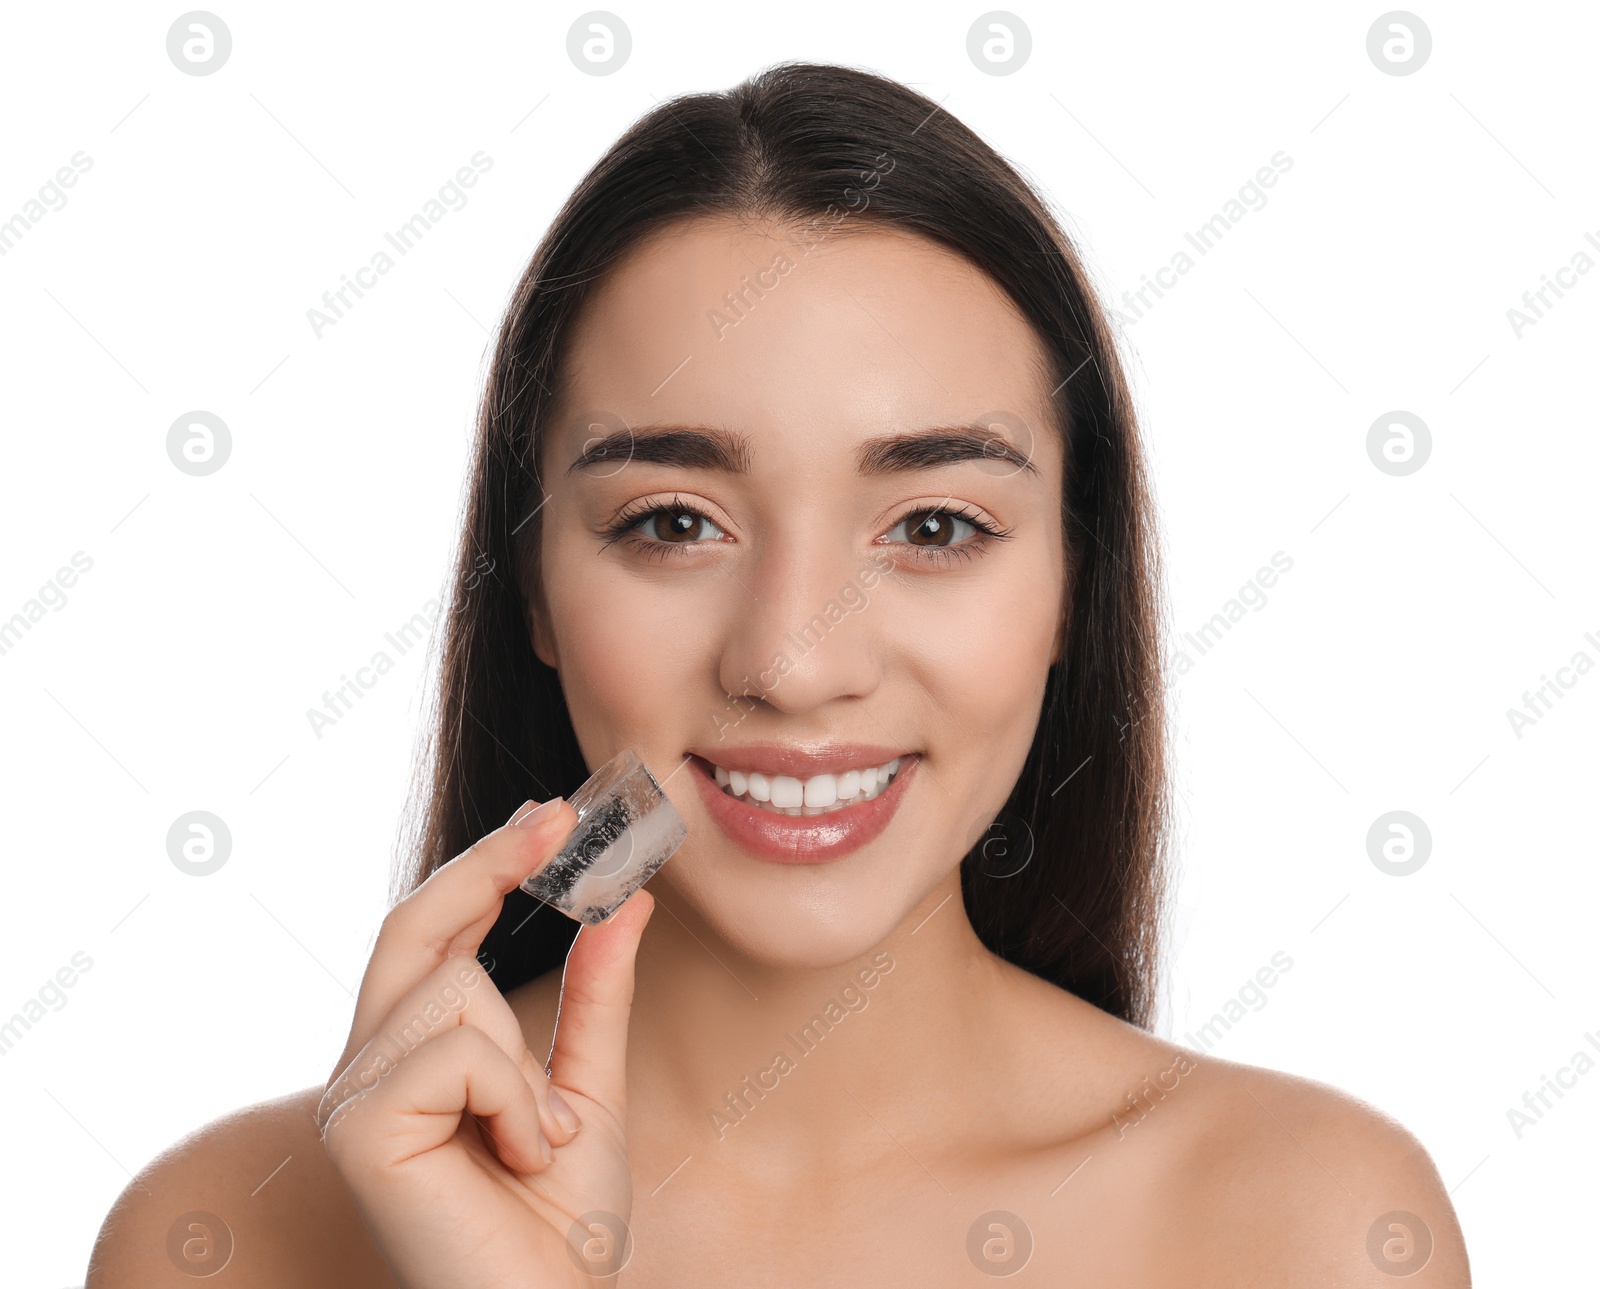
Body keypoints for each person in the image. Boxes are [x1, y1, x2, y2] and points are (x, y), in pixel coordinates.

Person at [88, 61, 1469, 1286]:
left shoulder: (1309, 1230)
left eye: (935, 527)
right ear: (535, 591)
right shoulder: (223, 1238)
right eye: (673, 523)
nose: (794, 664)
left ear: (1072, 589)